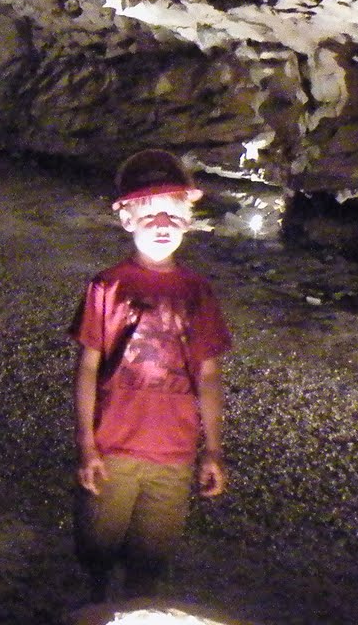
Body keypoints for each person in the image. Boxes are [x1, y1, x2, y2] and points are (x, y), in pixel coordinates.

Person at [71, 148, 232, 602]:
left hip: (175, 455)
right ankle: (97, 607)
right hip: (114, 447)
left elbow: (208, 374)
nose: (163, 224)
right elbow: (87, 367)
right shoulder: (107, 286)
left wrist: (213, 449)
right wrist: (86, 444)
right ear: (125, 218)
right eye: (151, 212)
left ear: (189, 217)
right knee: (97, 551)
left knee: (151, 561)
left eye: (174, 213)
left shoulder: (197, 292)